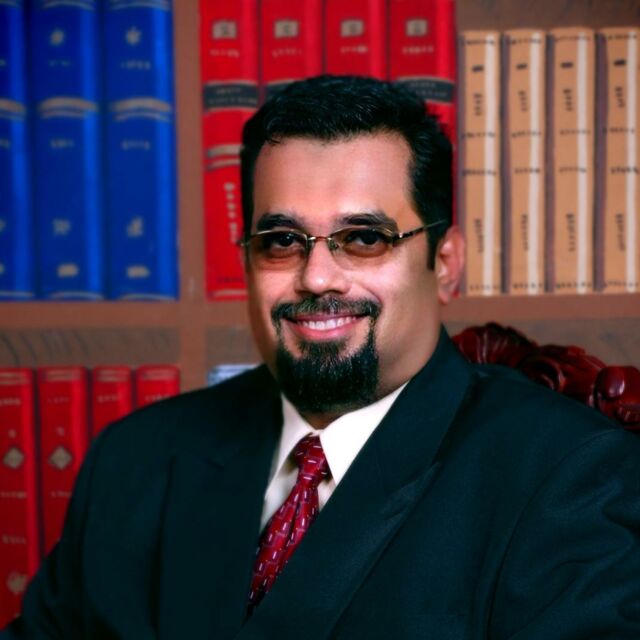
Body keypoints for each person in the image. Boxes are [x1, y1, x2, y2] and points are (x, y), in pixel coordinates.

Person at [3, 75, 640, 639]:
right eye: (282, 240)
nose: (316, 277)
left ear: (444, 263)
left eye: (363, 238)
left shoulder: (567, 479)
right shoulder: (135, 461)